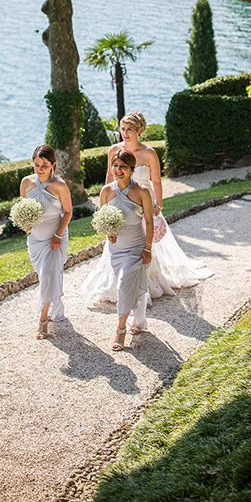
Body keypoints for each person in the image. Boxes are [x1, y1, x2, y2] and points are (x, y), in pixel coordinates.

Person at [80, 111, 212, 315]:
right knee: (119, 239)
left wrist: (159, 204)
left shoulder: (149, 153)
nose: (124, 133)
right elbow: (109, 177)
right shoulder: (114, 150)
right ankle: (119, 283)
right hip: (120, 200)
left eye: (129, 130)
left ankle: (147, 283)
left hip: (144, 201)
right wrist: (106, 204)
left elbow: (157, 181)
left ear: (139, 131)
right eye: (122, 129)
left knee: (144, 240)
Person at [99, 147, 153, 350]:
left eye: (123, 166)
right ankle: (138, 321)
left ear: (131, 169)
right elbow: (102, 220)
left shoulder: (142, 191)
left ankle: (120, 330)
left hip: (136, 248)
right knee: (131, 286)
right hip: (116, 249)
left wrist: (148, 249)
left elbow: (149, 221)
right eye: (115, 166)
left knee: (124, 284)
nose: (118, 169)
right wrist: (108, 234)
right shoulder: (106, 191)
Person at [19, 143, 72, 339]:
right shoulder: (26, 183)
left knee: (49, 274)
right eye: (36, 164)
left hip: (55, 238)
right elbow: (24, 209)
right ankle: (53, 307)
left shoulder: (60, 185)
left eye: (44, 165)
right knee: (45, 276)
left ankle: (42, 320)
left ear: (53, 165)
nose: (40, 169)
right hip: (36, 240)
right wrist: (26, 224)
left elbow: (68, 212)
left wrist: (58, 234)